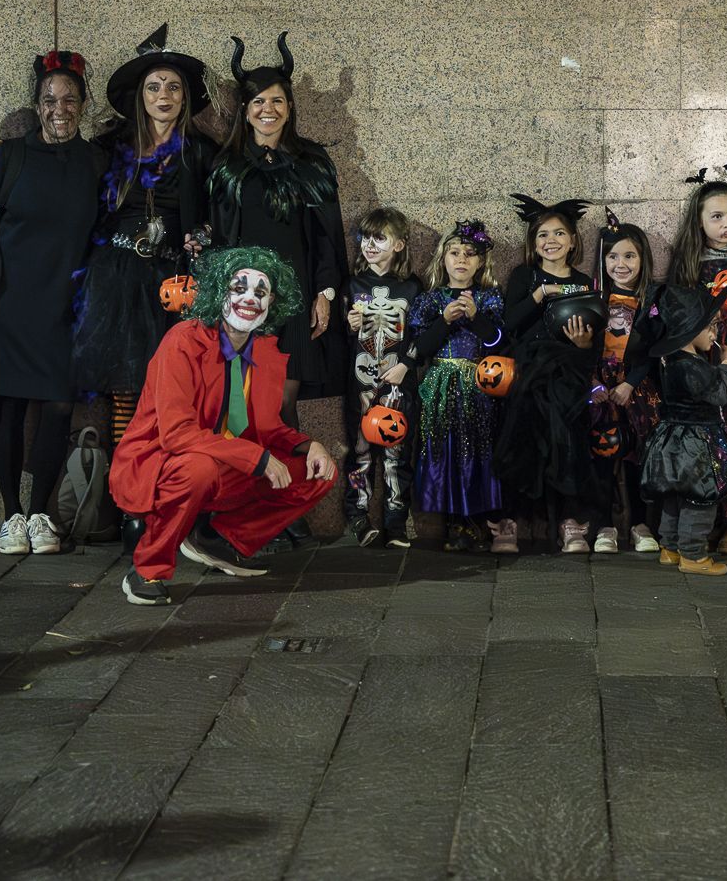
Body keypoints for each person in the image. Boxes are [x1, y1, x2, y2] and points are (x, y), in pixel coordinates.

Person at [109, 246, 340, 605]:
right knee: (198, 470)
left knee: (317, 473)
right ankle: (147, 569)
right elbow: (176, 434)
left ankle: (215, 537)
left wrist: (308, 446)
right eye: (239, 288)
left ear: (272, 303)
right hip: (163, 461)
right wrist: (258, 459)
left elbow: (265, 425)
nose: (250, 298)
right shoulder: (182, 341)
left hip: (225, 462)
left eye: (261, 292)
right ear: (219, 292)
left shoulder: (263, 350)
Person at [0, 50, 103, 557]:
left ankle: (39, 514)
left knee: (57, 409)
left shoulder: (97, 162)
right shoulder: (8, 157)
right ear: (36, 105)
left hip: (68, 308)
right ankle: (11, 514)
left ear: (83, 105)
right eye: (50, 100)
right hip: (7, 305)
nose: (61, 108)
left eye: (70, 99)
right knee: (8, 410)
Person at [71, 24, 215, 437]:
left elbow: (221, 211)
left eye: (173, 87)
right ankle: (124, 488)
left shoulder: (202, 151)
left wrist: (201, 235)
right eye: (154, 87)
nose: (163, 96)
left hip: (172, 276)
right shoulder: (110, 145)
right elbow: (63, 169)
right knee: (124, 388)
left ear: (185, 96)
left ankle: (155, 480)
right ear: (141, 95)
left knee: (167, 385)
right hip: (115, 275)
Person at [207, 34, 347, 431]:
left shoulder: (312, 162)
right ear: (245, 110)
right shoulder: (228, 166)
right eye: (258, 102)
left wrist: (326, 292)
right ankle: (247, 485)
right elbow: (218, 237)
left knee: (283, 403)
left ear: (289, 108)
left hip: (295, 296)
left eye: (277, 101)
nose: (268, 109)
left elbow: (326, 236)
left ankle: (287, 490)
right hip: (243, 296)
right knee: (240, 399)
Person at [667, 167, 727, 552]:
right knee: (705, 441)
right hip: (701, 365)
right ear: (700, 220)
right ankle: (701, 517)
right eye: (717, 216)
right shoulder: (688, 262)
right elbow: (676, 315)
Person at [497, 193, 601, 553]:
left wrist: (584, 344)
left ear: (573, 240)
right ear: (533, 243)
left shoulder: (584, 281)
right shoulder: (525, 276)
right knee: (521, 445)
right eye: (543, 235)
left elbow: (593, 340)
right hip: (526, 375)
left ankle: (569, 523)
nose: (551, 241)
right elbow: (509, 323)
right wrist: (540, 293)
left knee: (567, 446)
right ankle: (508, 522)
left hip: (568, 377)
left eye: (559, 233)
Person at [404, 220, 508, 552]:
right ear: (443, 259)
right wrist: (445, 320)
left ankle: (475, 522)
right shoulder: (429, 300)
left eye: (470, 254)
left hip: (478, 385)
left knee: (476, 449)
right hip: (439, 386)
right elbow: (419, 349)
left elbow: (497, 341)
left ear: (480, 263)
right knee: (444, 449)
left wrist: (477, 317)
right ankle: (452, 522)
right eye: (454, 252)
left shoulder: (490, 297)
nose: (461, 259)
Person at [640, 282, 727, 578]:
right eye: (711, 326)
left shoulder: (671, 360)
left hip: (672, 439)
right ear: (691, 328)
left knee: (675, 496)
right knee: (700, 497)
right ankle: (694, 555)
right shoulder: (691, 366)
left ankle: (670, 548)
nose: (715, 333)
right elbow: (719, 394)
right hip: (695, 444)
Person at [345, 207, 421, 547]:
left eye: (380, 238)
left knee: (396, 454)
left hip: (398, 382)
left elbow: (421, 333)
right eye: (366, 238)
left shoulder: (412, 286)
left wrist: (406, 363)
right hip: (360, 382)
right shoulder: (352, 283)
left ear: (400, 244)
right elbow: (339, 333)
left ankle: (395, 522)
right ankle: (358, 518)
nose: (370, 245)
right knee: (360, 452)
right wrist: (348, 327)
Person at [592, 213, 664, 553]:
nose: (621, 264)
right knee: (602, 456)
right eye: (613, 256)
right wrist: (595, 385)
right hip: (599, 391)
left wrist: (631, 383)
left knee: (638, 457)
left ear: (642, 259)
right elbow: (581, 350)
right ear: (602, 260)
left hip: (637, 391)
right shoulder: (594, 300)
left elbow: (655, 348)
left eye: (629, 256)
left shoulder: (652, 300)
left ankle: (640, 523)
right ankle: (604, 526)